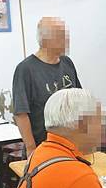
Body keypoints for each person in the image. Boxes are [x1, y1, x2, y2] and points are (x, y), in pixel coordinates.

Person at [12, 17, 82, 158]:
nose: (67, 41)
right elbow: (21, 113)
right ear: (46, 40)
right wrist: (31, 148)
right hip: (43, 145)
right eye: (61, 37)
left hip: (71, 143)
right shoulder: (26, 69)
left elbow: (79, 98)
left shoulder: (67, 63)